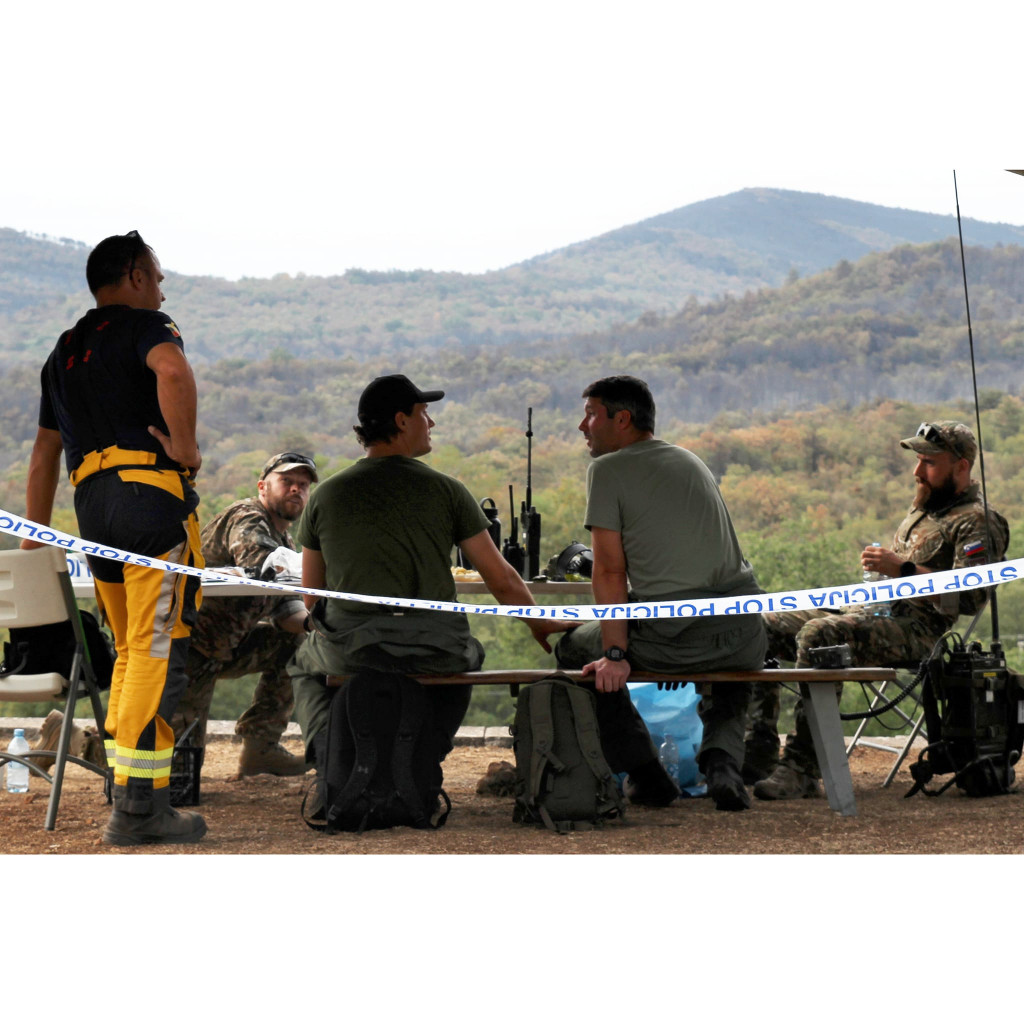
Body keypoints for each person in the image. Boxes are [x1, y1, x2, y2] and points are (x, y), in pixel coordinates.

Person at [288, 374, 569, 796]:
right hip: (434, 646)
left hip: (353, 649)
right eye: (424, 413)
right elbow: (502, 578)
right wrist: (538, 624)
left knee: (302, 664)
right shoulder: (448, 491)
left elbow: (313, 596)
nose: (431, 424)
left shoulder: (326, 496)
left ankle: (331, 760)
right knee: (468, 656)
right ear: (402, 421)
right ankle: (425, 753)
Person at [21, 230, 207, 845]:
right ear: (131, 277)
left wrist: (35, 537)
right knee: (156, 654)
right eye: (155, 275)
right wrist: (185, 448)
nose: (161, 287)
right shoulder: (147, 326)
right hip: (149, 502)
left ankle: (131, 799)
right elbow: (173, 372)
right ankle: (139, 810)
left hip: (93, 511)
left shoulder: (65, 350)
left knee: (130, 652)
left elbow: (45, 453)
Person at [749, 420, 1009, 800]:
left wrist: (901, 569)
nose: (918, 472)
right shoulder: (927, 507)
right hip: (873, 612)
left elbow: (970, 598)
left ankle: (803, 767)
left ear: (961, 467)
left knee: (821, 635)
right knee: (758, 627)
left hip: (917, 631)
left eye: (930, 463)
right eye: (918, 461)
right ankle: (756, 749)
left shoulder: (978, 521)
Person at [555, 375, 768, 811]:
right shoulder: (690, 460)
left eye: (591, 414)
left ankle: (645, 773)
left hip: (670, 638)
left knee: (572, 649)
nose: (582, 426)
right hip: (743, 636)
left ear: (623, 419)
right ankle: (723, 760)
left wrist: (615, 655)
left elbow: (610, 571)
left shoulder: (607, 470)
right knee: (728, 664)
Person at [171, 452, 318, 777]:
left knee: (299, 644)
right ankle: (77, 740)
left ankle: (260, 748)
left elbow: (286, 611)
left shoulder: (284, 541)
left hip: (224, 648)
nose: (296, 490)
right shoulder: (248, 516)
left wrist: (318, 624)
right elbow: (260, 563)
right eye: (287, 481)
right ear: (263, 486)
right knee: (177, 774)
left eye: (303, 485)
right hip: (188, 651)